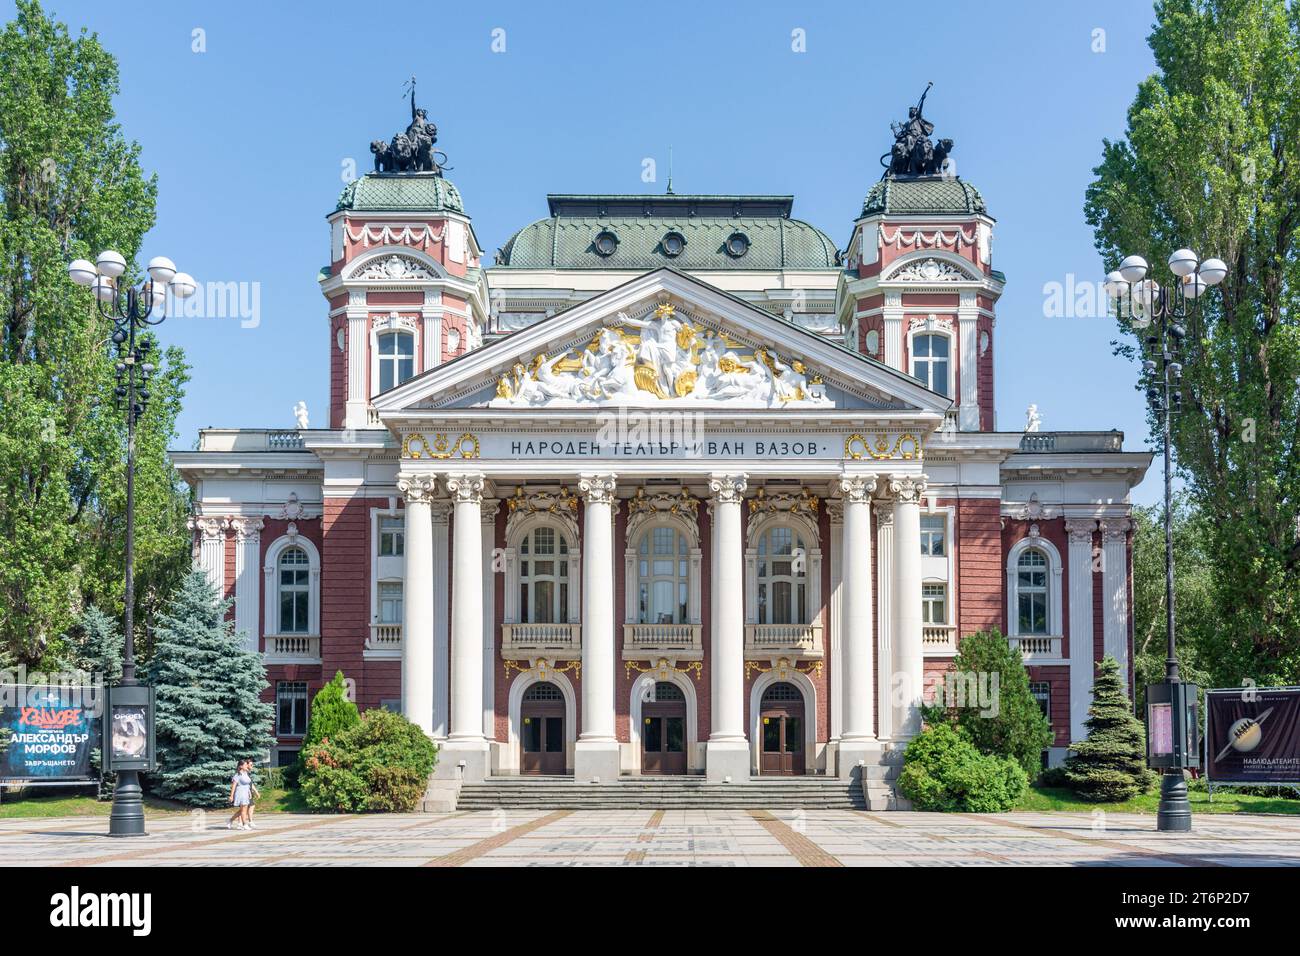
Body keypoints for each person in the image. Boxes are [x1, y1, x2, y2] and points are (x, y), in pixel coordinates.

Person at [227, 759, 252, 830]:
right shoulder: (238, 775)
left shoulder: (246, 773)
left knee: (242, 810)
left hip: (246, 792)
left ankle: (230, 820)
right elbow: (234, 785)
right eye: (245, 765)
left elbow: (247, 784)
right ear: (241, 766)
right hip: (240, 792)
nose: (247, 766)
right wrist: (231, 796)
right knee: (243, 809)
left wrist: (249, 792)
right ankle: (245, 824)